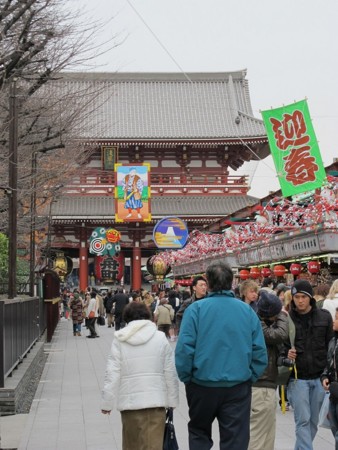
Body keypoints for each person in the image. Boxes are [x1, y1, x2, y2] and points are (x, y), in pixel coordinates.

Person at [175, 261, 267, 450]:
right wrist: (250, 376)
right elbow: (259, 351)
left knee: (199, 433)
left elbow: (184, 348)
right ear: (232, 283)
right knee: (235, 439)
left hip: (201, 383)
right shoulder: (247, 311)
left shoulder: (195, 310)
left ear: (207, 283)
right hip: (238, 385)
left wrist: (187, 378)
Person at [101, 302, 179, 450]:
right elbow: (170, 372)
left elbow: (112, 373)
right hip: (155, 404)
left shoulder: (120, 339)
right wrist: (173, 400)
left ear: (127, 318)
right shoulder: (160, 338)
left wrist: (107, 403)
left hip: (130, 405)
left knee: (132, 446)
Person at [284, 279, 333, 450]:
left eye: (303, 297)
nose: (300, 300)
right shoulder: (287, 319)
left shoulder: (325, 317)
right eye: (296, 297)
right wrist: (286, 355)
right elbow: (280, 347)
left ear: (310, 297)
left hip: (319, 377)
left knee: (313, 421)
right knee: (302, 420)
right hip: (297, 378)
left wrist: (328, 373)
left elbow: (330, 347)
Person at [248, 291, 288, 450]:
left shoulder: (259, 322)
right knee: (258, 435)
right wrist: (283, 316)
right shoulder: (259, 324)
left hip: (265, 385)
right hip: (261, 385)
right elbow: (280, 334)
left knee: (267, 434)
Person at [321, 307, 338, 449]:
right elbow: (329, 363)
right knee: (335, 430)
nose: (334, 321)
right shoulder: (333, 340)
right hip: (334, 393)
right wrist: (325, 376)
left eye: (337, 318)